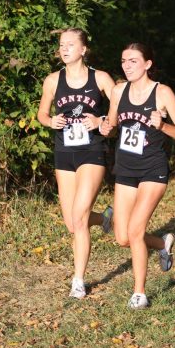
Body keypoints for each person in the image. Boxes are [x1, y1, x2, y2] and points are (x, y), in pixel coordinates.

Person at [99, 43, 175, 309]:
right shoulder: (118, 91)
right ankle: (162, 243)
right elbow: (112, 125)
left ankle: (139, 293)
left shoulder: (162, 93)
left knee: (136, 230)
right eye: (123, 61)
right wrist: (105, 127)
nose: (127, 66)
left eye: (133, 61)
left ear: (148, 64)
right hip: (126, 168)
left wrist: (162, 125)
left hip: (153, 168)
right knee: (122, 238)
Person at [37, 28, 116, 299]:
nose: (64, 49)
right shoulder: (52, 80)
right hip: (64, 152)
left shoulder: (101, 78)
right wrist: (50, 121)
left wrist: (101, 120)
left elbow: (121, 105)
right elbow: (41, 114)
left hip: (92, 151)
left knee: (79, 219)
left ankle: (78, 280)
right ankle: (105, 218)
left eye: (70, 45)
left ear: (84, 50)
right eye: (61, 45)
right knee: (72, 222)